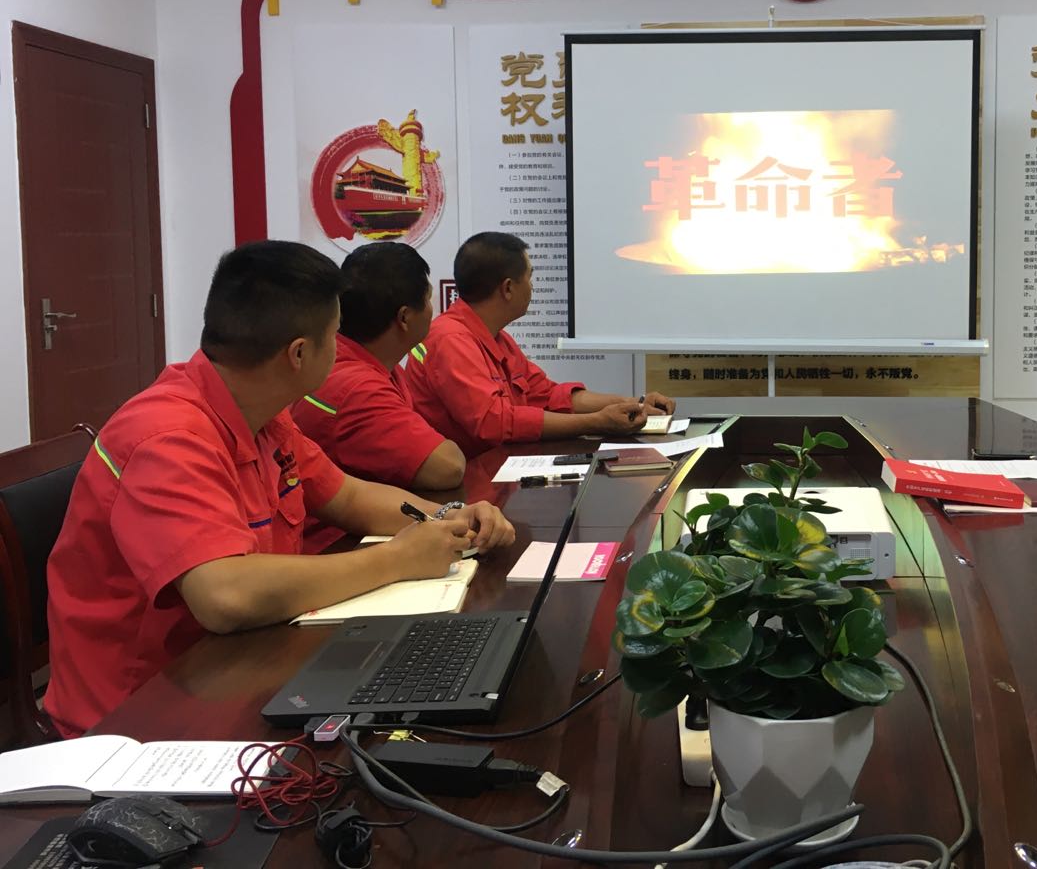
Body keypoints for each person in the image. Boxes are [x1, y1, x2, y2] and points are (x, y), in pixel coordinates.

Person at [44, 242, 516, 737]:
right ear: (299, 354)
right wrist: (397, 559)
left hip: (242, 662)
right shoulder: (167, 437)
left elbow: (347, 496)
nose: (341, 349)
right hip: (143, 718)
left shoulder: (262, 415)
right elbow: (225, 595)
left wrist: (450, 518)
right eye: (335, 335)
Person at [403, 232, 674, 455]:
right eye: (529, 277)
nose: (532, 287)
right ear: (508, 288)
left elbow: (548, 395)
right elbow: (494, 423)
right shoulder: (451, 340)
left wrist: (636, 404)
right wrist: (596, 422)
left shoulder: (497, 338)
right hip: (468, 483)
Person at [293, 242, 464, 490]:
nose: (432, 310)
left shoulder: (367, 363)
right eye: (428, 299)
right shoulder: (358, 389)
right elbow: (447, 467)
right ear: (404, 317)